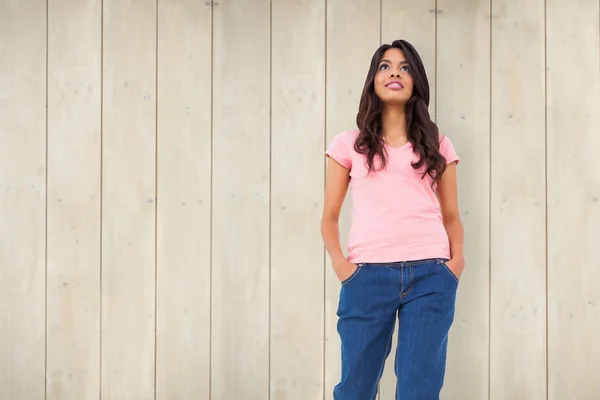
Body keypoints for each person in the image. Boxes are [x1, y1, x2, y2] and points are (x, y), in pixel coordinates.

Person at [321, 39, 465, 399]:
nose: (395, 72)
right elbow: (329, 216)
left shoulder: (437, 144)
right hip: (366, 276)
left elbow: (451, 215)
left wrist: (455, 264)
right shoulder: (348, 145)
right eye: (385, 66)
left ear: (416, 80)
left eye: (404, 67)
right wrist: (343, 266)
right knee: (355, 388)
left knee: (419, 389)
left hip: (431, 274)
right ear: (373, 80)